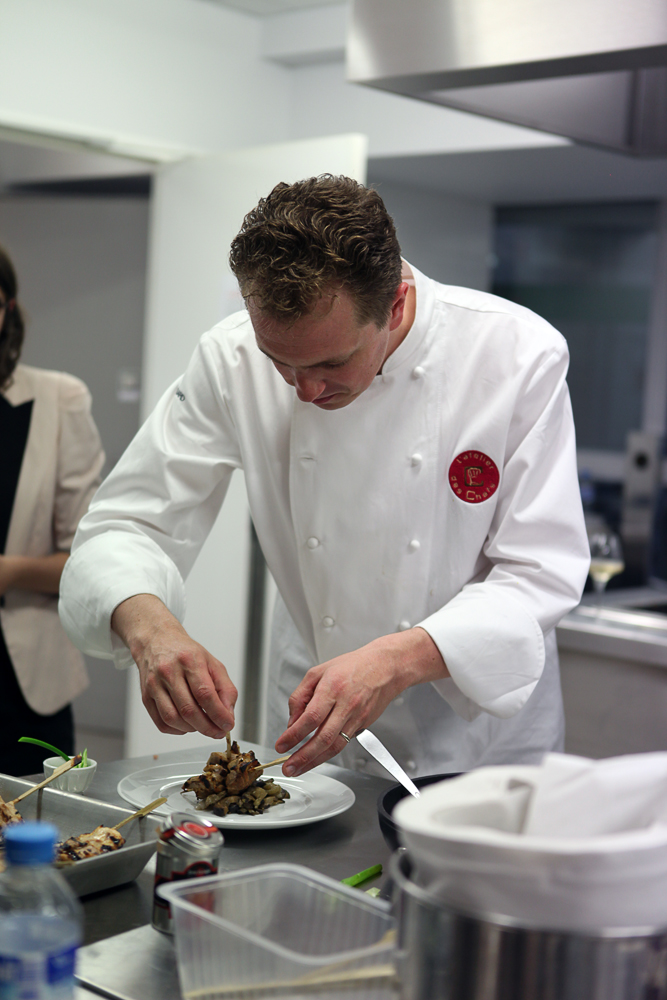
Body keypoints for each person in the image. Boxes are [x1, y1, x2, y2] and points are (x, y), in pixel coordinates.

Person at [59, 176, 589, 779]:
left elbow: (539, 571)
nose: (305, 391)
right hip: (313, 708)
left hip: (476, 730)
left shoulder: (516, 354)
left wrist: (394, 660)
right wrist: (151, 630)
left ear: (395, 305)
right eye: (280, 362)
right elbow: (126, 524)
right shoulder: (230, 357)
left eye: (332, 362)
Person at [0, 244, 105, 775]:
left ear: (7, 309)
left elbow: (86, 559)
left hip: (22, 682)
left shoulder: (59, 399)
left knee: (34, 821)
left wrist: (8, 571)